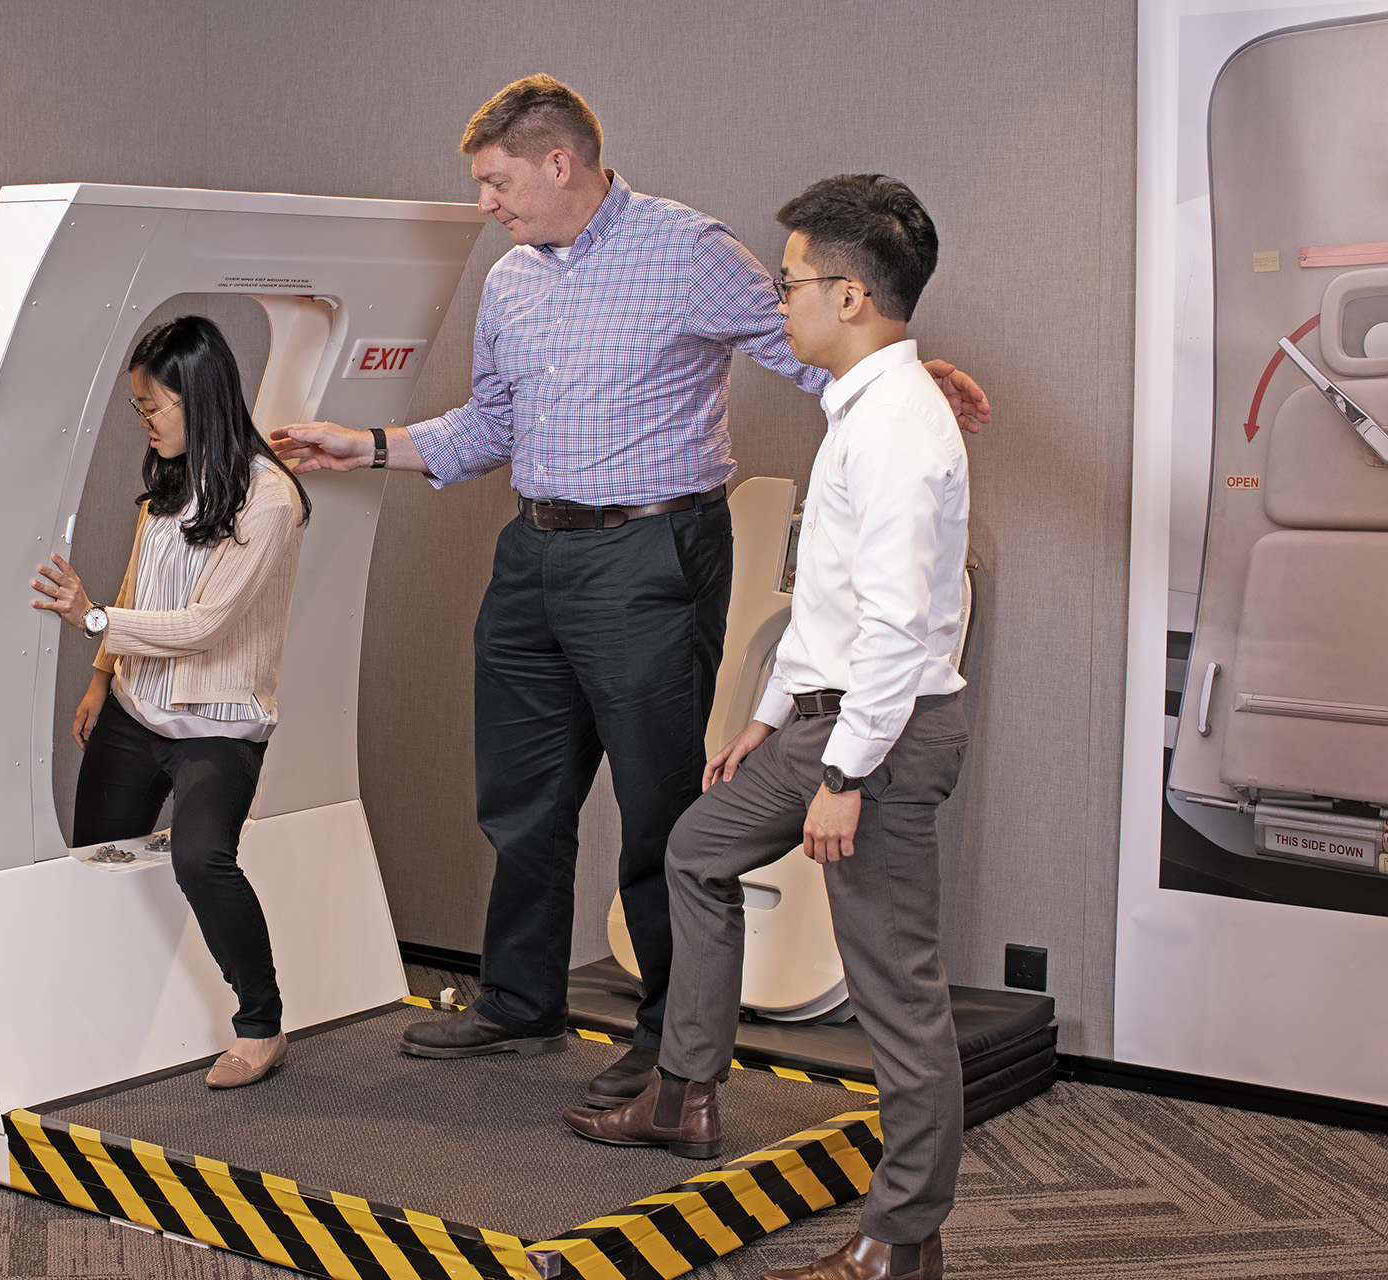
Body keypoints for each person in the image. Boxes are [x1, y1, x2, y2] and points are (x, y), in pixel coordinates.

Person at [271, 75, 989, 1109]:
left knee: (661, 808)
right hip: (534, 552)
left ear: (559, 163)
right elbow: (490, 423)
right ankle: (520, 1000)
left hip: (651, 554)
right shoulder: (510, 281)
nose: (485, 202)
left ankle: (667, 1044)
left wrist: (912, 382)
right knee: (520, 796)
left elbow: (816, 348)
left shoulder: (689, 250)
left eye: (496, 181)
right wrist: (369, 445)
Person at [561, 175, 971, 1280]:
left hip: (882, 737)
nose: (774, 304)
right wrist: (769, 716)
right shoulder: (858, 412)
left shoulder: (900, 432)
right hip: (825, 722)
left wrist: (844, 775)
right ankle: (684, 1095)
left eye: (788, 284)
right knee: (697, 849)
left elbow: (897, 629)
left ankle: (903, 1239)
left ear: (849, 295)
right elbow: (826, 599)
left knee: (897, 992)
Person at [30, 315, 311, 1090]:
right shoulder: (170, 475)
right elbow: (137, 583)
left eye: (152, 406)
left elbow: (202, 626)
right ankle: (97, 1016)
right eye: (139, 408)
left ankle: (262, 1025)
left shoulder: (270, 500)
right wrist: (100, 678)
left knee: (200, 858)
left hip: (218, 726)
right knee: (97, 859)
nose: (144, 422)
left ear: (200, 398)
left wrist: (92, 619)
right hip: (133, 709)